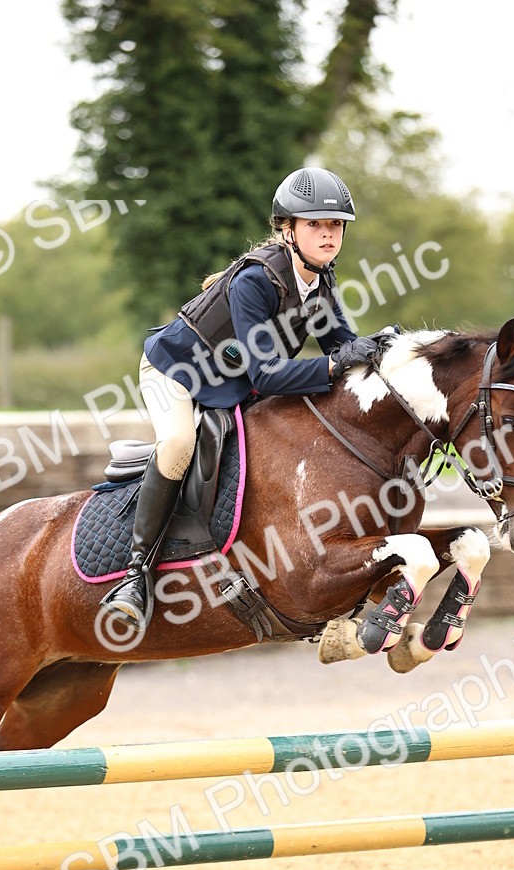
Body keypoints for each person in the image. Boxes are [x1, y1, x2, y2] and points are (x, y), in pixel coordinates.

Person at [102, 166, 383, 628]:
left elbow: (342, 345)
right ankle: (136, 573)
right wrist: (338, 362)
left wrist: (382, 351)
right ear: (288, 230)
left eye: (335, 225)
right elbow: (272, 375)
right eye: (315, 224)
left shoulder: (321, 282)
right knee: (177, 444)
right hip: (175, 373)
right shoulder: (255, 280)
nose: (329, 234)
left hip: (233, 386)